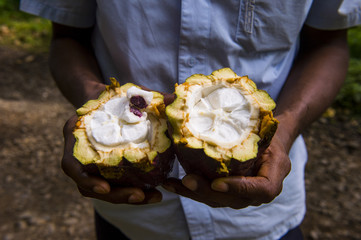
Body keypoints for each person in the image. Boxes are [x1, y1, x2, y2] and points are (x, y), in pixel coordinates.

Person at [20, 1, 360, 239]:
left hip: (263, 221)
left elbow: (328, 41)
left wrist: (283, 129)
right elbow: (67, 36)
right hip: (133, 220)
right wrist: (98, 106)